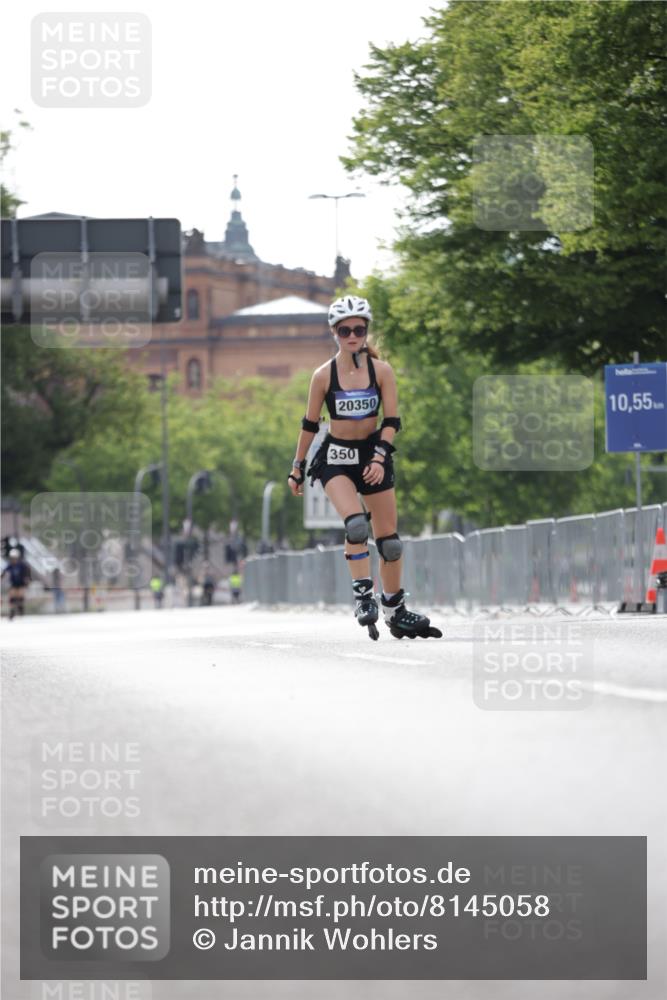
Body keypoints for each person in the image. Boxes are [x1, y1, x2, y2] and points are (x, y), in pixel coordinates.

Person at [287, 295, 441, 640]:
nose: (352, 336)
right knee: (356, 525)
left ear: (366, 330)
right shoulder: (322, 376)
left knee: (390, 544)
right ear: (334, 333)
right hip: (337, 457)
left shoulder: (382, 371)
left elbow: (392, 420)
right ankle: (362, 596)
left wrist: (379, 456)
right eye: (345, 330)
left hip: (373, 455)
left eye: (358, 329)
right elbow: (310, 425)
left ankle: (395, 610)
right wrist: (297, 466)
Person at [2, 548, 31, 620]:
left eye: (14, 558)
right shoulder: (10, 565)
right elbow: (4, 571)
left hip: (21, 583)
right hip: (13, 583)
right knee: (12, 597)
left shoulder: (21, 565)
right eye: (12, 558)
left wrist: (27, 579)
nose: (13, 559)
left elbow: (27, 572)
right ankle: (12, 611)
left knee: (20, 596)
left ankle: (20, 608)